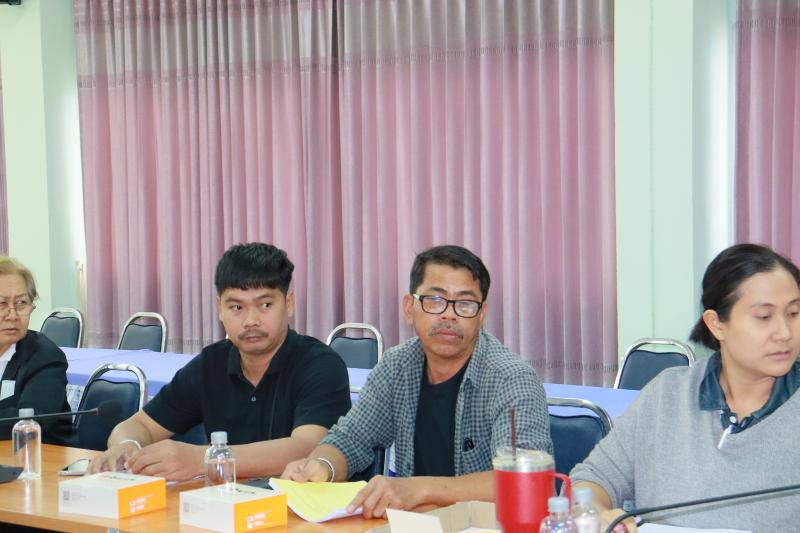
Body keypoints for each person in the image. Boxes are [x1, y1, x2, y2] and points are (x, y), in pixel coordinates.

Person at [282, 244, 552, 518]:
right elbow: (350, 439)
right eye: (435, 300)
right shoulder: (396, 366)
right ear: (409, 308)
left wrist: (417, 488)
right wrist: (322, 466)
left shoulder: (511, 379)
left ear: (481, 315)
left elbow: (524, 481)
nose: (449, 314)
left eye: (465, 304)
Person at [571, 243, 800, 531]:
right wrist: (595, 512)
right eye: (764, 317)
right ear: (716, 324)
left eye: (794, 313)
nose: (784, 333)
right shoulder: (667, 394)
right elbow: (592, 478)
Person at [88, 242, 351, 480]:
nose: (251, 321)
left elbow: (309, 448)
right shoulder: (211, 364)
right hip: (225, 505)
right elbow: (139, 425)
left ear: (289, 304)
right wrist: (128, 445)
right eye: (236, 307)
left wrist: (203, 459)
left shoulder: (321, 365)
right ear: (219, 309)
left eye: (265, 305)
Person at [0, 257, 72, 443]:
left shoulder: (45, 357)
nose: (12, 315)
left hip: (41, 456)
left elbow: (30, 422)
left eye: (21, 303)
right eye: (1, 304)